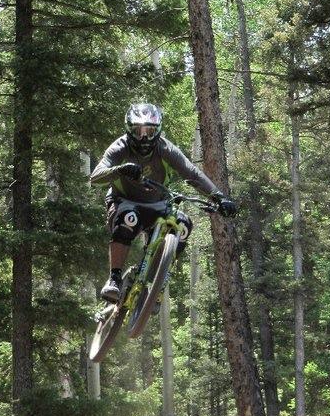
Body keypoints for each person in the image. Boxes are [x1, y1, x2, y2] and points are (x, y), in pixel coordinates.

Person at [90, 103, 237, 302]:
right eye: (138, 131)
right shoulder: (120, 147)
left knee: (183, 226)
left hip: (158, 204)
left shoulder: (166, 149)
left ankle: (154, 285)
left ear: (157, 131)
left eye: (149, 132)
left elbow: (192, 173)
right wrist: (120, 169)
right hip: (124, 201)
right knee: (129, 219)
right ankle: (114, 279)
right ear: (129, 130)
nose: (144, 137)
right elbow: (95, 177)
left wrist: (218, 197)